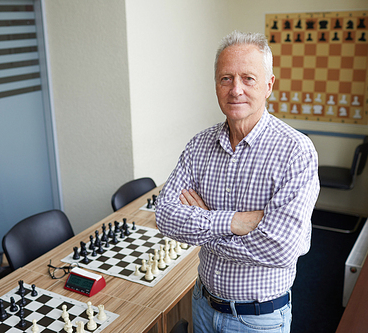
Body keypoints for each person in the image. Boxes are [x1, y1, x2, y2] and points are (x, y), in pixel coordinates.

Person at [155, 30, 319, 333]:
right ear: (216, 84)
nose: (236, 89)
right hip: (202, 305)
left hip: (257, 320)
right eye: (226, 78)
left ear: (269, 85)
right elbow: (164, 216)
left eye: (248, 78)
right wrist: (235, 223)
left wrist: (204, 223)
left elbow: (281, 248)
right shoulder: (198, 145)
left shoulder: (295, 151)